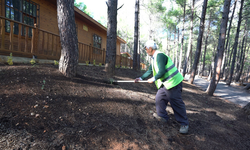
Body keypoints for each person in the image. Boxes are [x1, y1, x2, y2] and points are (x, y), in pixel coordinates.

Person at [135, 40, 189, 134]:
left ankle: (184, 124)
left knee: (176, 102)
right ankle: (163, 117)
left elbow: (162, 71)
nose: (146, 51)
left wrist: (153, 79)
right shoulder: (154, 58)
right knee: (159, 99)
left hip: (174, 83)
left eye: (146, 49)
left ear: (150, 48)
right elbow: (149, 71)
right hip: (165, 84)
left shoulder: (160, 56)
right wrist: (140, 78)